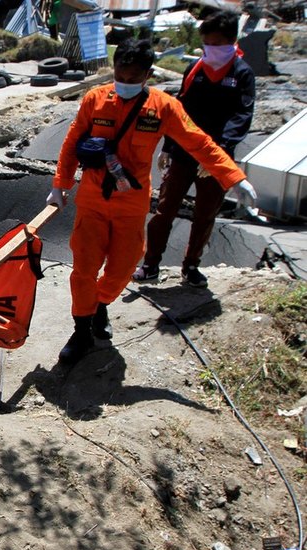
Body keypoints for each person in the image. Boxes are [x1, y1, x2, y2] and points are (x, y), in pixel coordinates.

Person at [47, 38, 256, 365]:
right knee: (84, 268)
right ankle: (81, 330)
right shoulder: (96, 99)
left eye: (134, 78)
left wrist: (234, 177)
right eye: (121, 75)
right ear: (114, 69)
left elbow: (198, 142)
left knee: (124, 267)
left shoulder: (163, 107)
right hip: (92, 199)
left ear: (147, 75)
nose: (126, 83)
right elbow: (73, 141)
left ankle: (101, 303)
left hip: (132, 202)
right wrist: (60, 184)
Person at [133, 10, 255, 289]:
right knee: (165, 208)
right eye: (207, 44)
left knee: (205, 213)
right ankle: (151, 264)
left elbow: (242, 116)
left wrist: (218, 153)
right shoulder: (195, 71)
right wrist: (168, 145)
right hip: (184, 154)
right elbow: (179, 111)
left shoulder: (242, 74)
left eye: (216, 44)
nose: (210, 49)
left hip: (217, 156)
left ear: (231, 41)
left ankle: (191, 266)